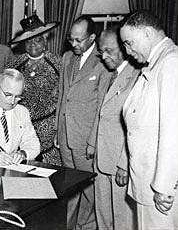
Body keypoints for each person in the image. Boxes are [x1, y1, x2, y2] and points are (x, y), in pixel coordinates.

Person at [120, 10, 178, 230]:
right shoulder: (157, 63)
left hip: (161, 190)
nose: (127, 51)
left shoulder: (172, 63)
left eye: (129, 42)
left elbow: (174, 131)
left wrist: (164, 187)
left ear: (146, 33)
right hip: (148, 181)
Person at [55, 15, 109, 230]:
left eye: (79, 40)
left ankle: (86, 227)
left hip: (86, 140)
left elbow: (102, 108)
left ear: (92, 37)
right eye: (71, 39)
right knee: (70, 189)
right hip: (66, 137)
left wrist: (94, 141)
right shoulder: (67, 57)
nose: (74, 44)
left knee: (90, 191)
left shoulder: (103, 61)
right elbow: (62, 96)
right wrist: (59, 132)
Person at [87, 26, 139, 230]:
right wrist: (93, 144)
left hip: (119, 162)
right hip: (102, 158)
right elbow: (101, 113)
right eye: (102, 51)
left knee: (122, 220)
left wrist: (124, 164)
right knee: (103, 217)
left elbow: (135, 127)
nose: (103, 56)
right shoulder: (110, 74)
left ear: (124, 49)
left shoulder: (135, 77)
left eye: (109, 51)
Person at [7, 14, 62, 166]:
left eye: (37, 39)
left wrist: (59, 128)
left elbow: (64, 97)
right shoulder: (14, 63)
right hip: (20, 126)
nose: (32, 44)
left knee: (50, 172)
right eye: (28, 40)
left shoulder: (57, 63)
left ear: (45, 41)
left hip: (48, 129)